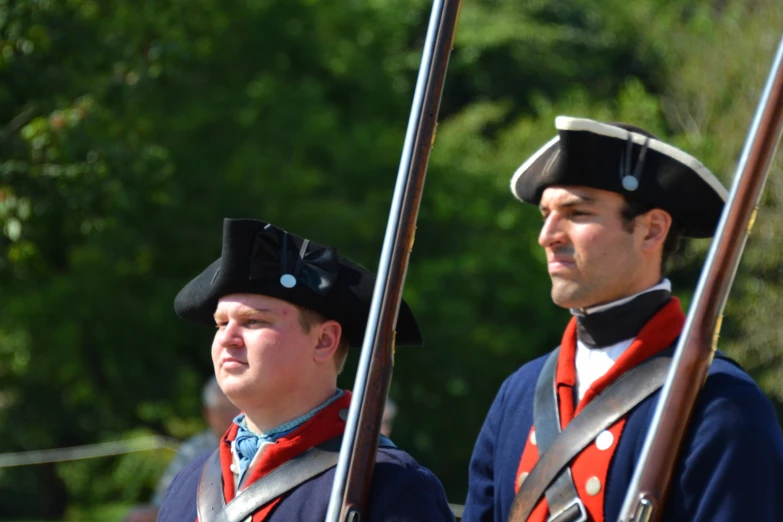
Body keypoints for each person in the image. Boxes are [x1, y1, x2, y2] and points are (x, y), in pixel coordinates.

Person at [462, 116, 783, 522]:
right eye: (545, 214)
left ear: (652, 230)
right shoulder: (518, 394)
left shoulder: (719, 404)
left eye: (577, 213)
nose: (548, 234)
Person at [157, 218, 454, 521]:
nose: (227, 339)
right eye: (222, 323)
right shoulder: (188, 482)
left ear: (324, 341)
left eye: (253, 321)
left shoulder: (389, 485)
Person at [123, 378, 239, 522]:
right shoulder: (192, 450)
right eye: (222, 410)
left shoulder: (255, 444)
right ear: (208, 413)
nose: (229, 416)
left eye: (234, 408)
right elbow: (164, 499)